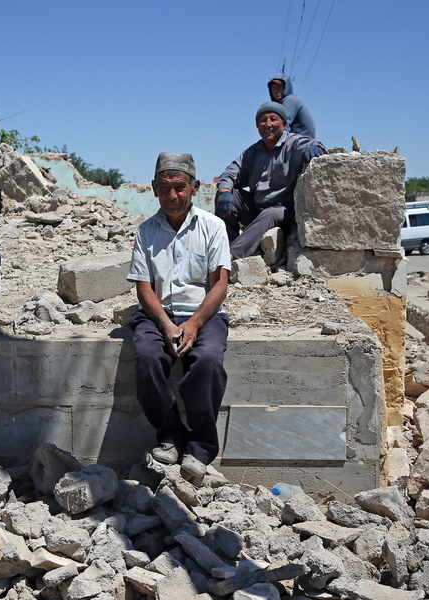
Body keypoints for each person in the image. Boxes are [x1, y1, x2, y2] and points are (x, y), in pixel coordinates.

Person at [127, 153, 231, 485]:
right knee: (147, 357)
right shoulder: (146, 231)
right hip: (159, 314)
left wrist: (195, 323)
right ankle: (170, 435)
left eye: (180, 187)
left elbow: (219, 285)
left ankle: (200, 448)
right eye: (165, 188)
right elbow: (144, 288)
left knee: (208, 360)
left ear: (195, 188)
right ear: (154, 189)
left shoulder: (213, 227)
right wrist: (166, 324)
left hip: (204, 314)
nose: (172, 196)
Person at [215, 101, 325, 260]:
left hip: (283, 211)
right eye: (263, 120)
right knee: (227, 195)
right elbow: (231, 172)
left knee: (270, 213)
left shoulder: (293, 143)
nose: (268, 124)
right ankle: (229, 242)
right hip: (257, 209)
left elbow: (313, 144)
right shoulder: (252, 152)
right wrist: (224, 191)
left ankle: (229, 257)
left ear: (284, 123)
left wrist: (315, 149)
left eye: (273, 119)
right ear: (257, 126)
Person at [268, 73, 316, 139]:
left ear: (286, 87)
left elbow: (284, 126)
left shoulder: (290, 100)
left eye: (279, 87)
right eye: (273, 88)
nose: (276, 90)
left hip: (302, 142)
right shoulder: (290, 100)